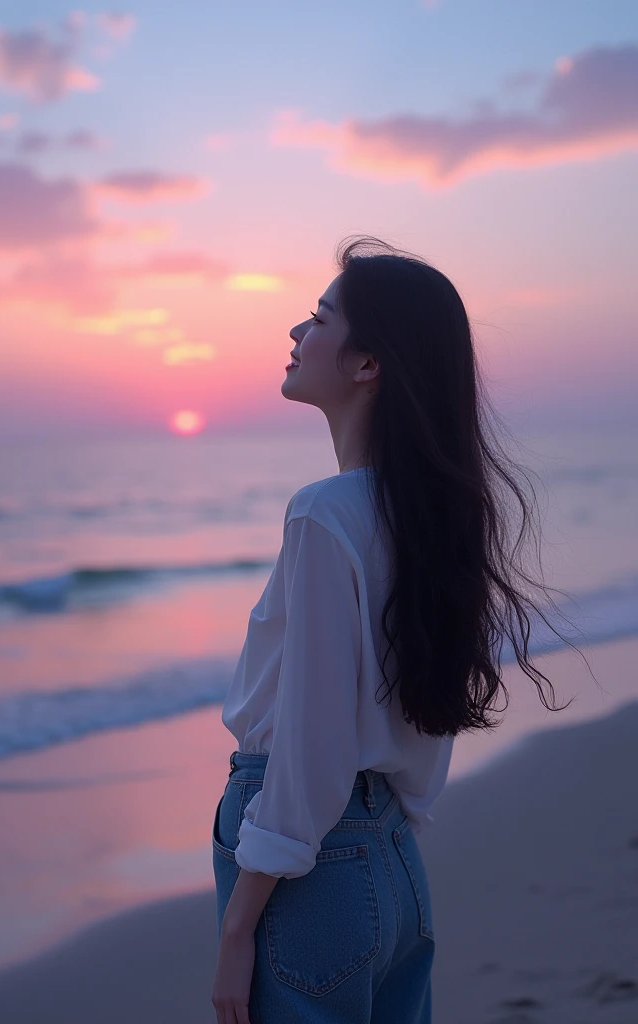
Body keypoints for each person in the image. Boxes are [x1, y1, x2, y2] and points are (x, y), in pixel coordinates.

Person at [210, 234, 577, 1024]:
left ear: (368, 363)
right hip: (395, 860)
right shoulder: (432, 515)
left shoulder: (324, 513)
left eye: (317, 318)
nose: (295, 334)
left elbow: (310, 749)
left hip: (311, 874)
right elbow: (416, 718)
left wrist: (238, 926)